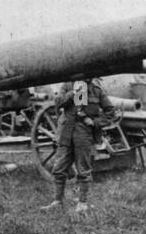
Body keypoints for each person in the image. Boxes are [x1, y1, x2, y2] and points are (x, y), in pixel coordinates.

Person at [41, 76, 114, 214]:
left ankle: (82, 203)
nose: (86, 76)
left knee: (83, 169)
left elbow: (110, 111)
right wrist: (74, 92)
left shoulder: (97, 90)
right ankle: (58, 201)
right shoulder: (68, 85)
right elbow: (58, 102)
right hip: (66, 132)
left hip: (84, 134)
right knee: (59, 167)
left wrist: (95, 122)